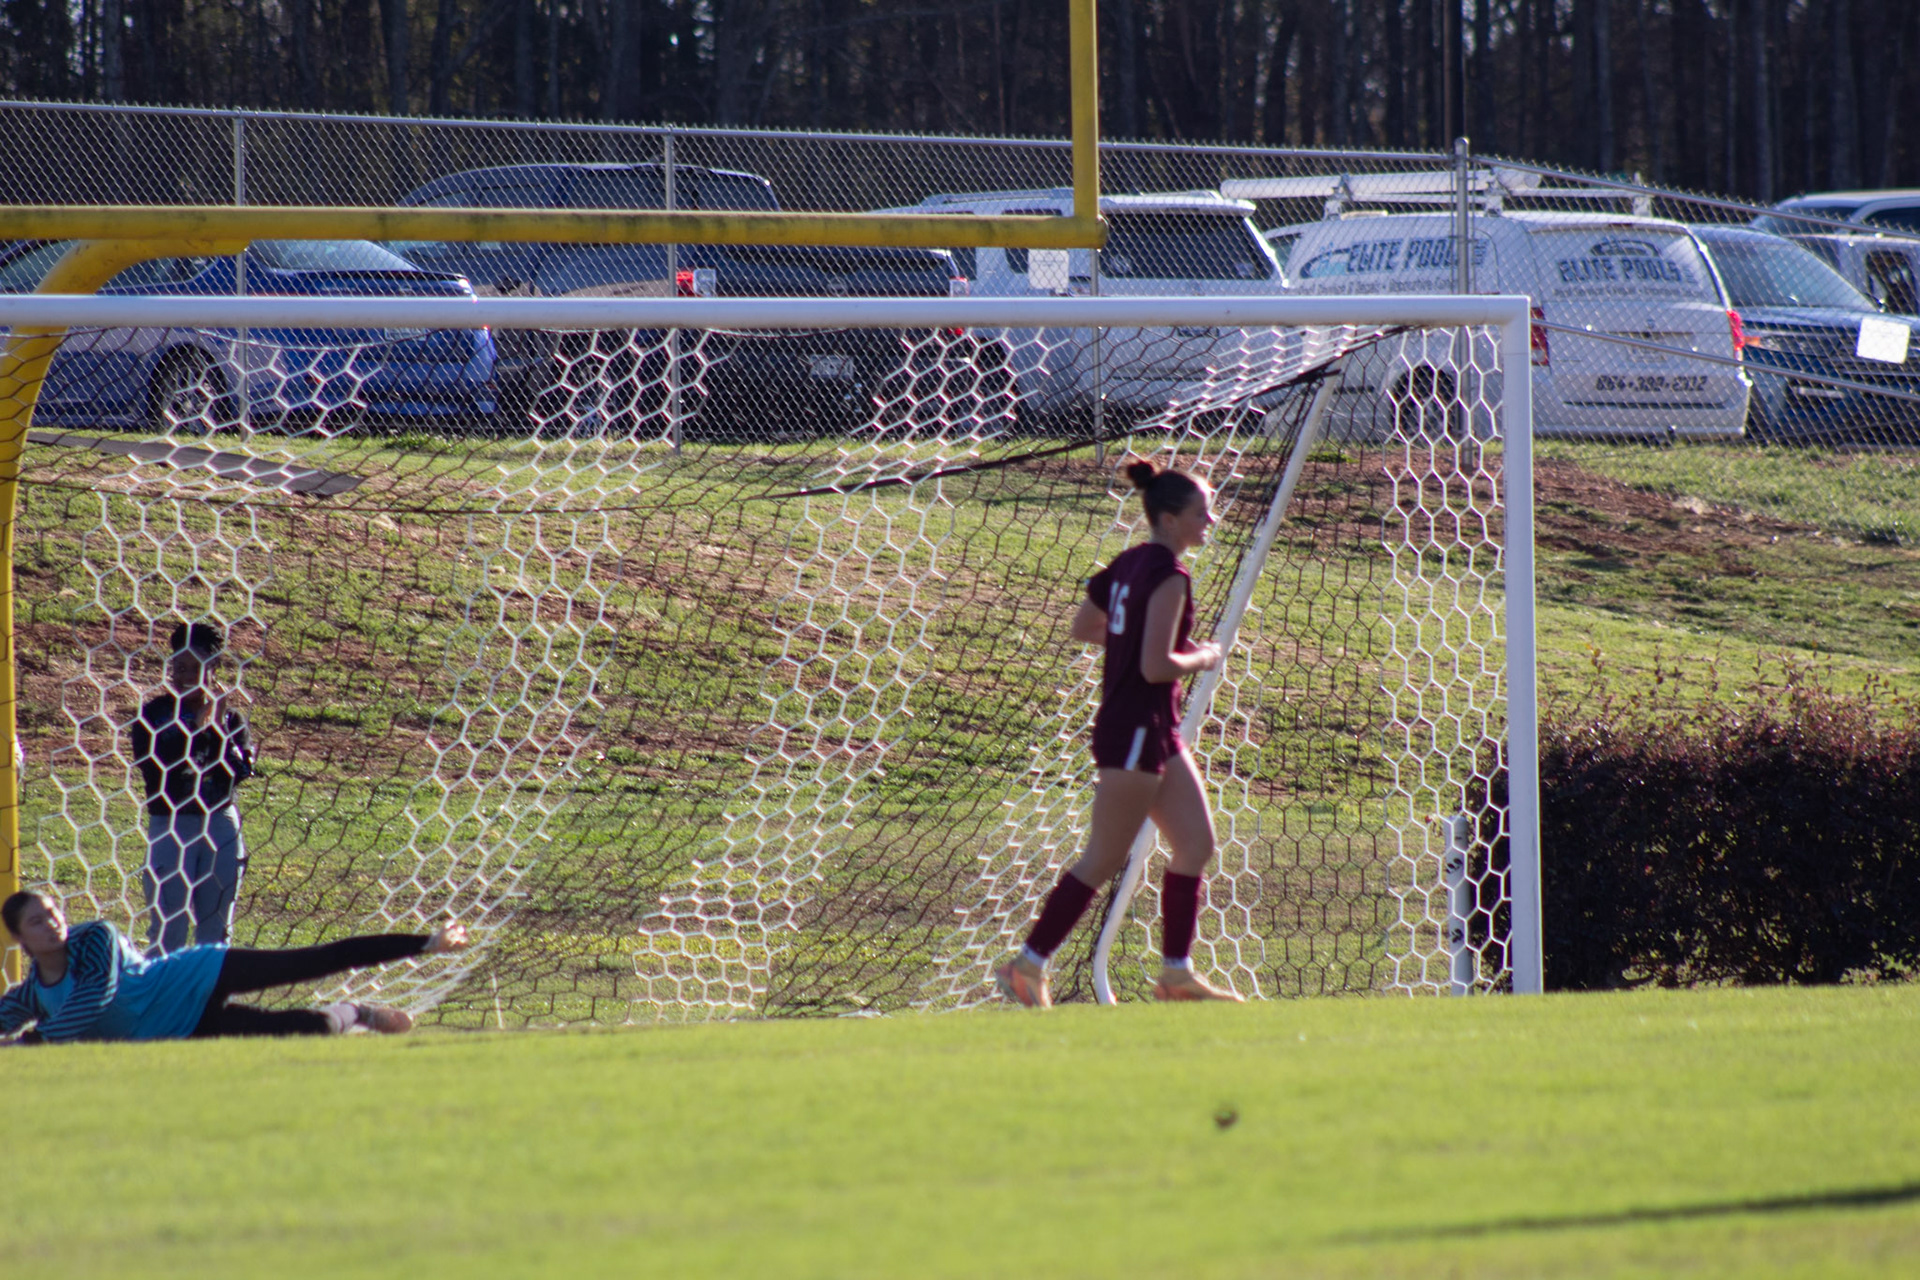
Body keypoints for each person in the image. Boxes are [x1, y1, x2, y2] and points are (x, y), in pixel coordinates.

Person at [995, 459, 1245, 1007]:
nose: (1211, 521)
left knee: (1196, 844)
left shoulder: (1128, 563)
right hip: (1135, 729)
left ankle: (1176, 976)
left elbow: (1085, 626)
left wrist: (1137, 639)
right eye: (1202, 513)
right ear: (1170, 519)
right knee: (1104, 857)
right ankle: (1027, 965)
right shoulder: (1170, 575)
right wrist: (1204, 657)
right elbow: (1157, 667)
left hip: (1156, 730)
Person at [0, 890, 467, 1043]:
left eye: (54, 912)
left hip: (198, 975)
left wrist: (31, 1042)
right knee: (312, 1030)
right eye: (37, 922)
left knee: (314, 961)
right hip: (186, 1029)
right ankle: (359, 1013)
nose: (53, 923)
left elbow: (95, 998)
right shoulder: (34, 995)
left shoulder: (95, 937)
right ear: (21, 941)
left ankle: (426, 942)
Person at [131, 620, 256, 954]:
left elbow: (241, 771)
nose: (185, 676)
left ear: (214, 668)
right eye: (179, 667)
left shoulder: (231, 719)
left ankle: (209, 988)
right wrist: (195, 730)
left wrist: (217, 732)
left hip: (220, 825)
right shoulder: (154, 715)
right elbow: (155, 768)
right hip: (171, 825)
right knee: (168, 932)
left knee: (216, 933)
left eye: (195, 668)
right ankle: (162, 988)